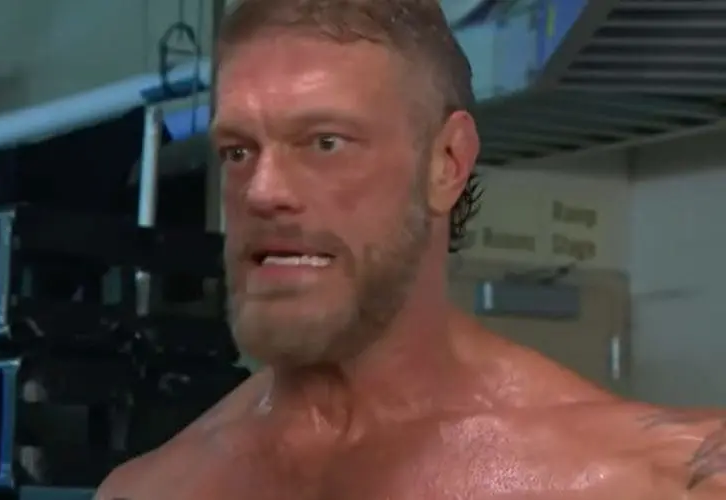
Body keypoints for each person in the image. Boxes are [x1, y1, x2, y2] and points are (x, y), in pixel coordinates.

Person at [96, 0, 726, 498]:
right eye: (238, 151)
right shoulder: (151, 490)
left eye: (325, 143)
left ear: (446, 163)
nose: (262, 191)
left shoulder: (658, 480)